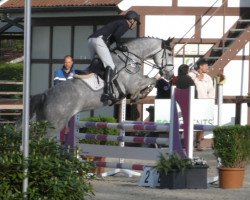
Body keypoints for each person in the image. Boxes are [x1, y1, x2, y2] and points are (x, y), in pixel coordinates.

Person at [88, 10, 140, 103]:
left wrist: (114, 47)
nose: (136, 24)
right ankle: (107, 92)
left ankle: (91, 87)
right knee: (111, 66)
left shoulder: (119, 22)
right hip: (99, 41)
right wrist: (120, 46)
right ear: (131, 20)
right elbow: (116, 35)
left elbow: (110, 39)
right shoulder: (125, 24)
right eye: (136, 22)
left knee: (96, 65)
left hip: (91, 40)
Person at [188, 59, 215, 150]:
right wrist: (196, 79)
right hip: (193, 102)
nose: (207, 67)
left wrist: (210, 101)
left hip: (204, 103)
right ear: (200, 66)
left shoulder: (208, 77)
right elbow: (188, 86)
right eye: (206, 66)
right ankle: (189, 142)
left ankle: (198, 142)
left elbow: (211, 90)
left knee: (202, 123)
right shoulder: (191, 75)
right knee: (192, 123)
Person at [53, 55, 75, 143]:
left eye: (69, 62)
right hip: (61, 100)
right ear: (64, 62)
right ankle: (61, 141)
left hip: (72, 101)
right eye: (66, 62)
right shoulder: (57, 72)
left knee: (72, 122)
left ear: (72, 62)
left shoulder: (75, 73)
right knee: (61, 120)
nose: (67, 64)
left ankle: (71, 141)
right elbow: (57, 86)